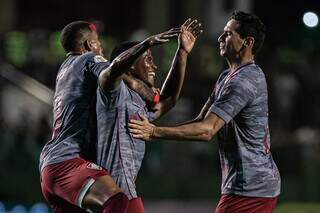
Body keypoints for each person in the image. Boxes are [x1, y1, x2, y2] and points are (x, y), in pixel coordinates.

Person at [129, 11, 281, 213]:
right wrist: (182, 52)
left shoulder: (244, 81)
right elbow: (200, 120)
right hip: (248, 185)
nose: (220, 37)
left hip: (252, 188)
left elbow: (207, 130)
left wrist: (154, 132)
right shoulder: (227, 77)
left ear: (248, 42)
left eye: (228, 33)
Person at [39, 21, 172, 213]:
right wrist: (145, 45)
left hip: (51, 166)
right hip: (68, 161)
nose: (101, 48)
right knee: (117, 200)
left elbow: (161, 102)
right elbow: (111, 72)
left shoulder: (64, 69)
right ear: (88, 46)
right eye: (98, 42)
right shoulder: (89, 59)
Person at [96, 19, 202, 212]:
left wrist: (182, 53)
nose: (154, 66)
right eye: (148, 59)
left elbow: (168, 100)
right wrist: (146, 43)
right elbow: (113, 70)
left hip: (124, 195)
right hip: (115, 196)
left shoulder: (138, 104)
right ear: (130, 66)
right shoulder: (114, 94)